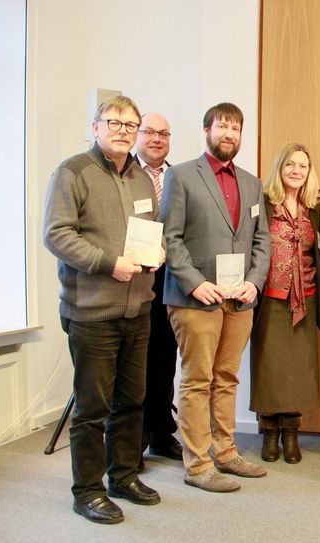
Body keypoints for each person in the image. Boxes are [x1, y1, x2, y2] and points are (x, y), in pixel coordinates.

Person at [43, 95, 162, 524]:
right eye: (115, 122)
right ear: (96, 126)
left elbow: (148, 230)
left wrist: (157, 251)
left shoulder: (142, 179)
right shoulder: (72, 172)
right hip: (91, 311)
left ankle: (124, 476)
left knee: (132, 402)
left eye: (132, 125)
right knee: (93, 408)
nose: (124, 130)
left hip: (138, 308)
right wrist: (108, 263)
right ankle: (87, 490)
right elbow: (57, 234)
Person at [162, 102, 270, 493]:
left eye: (236, 129)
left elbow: (262, 239)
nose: (230, 134)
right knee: (196, 380)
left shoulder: (251, 183)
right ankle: (198, 464)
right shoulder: (181, 176)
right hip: (196, 298)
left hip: (239, 299)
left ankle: (225, 452)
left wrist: (254, 283)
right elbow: (169, 236)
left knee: (226, 378)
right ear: (206, 130)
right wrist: (193, 282)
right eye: (223, 126)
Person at [250, 143, 320, 464]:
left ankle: (292, 433)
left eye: (303, 166)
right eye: (290, 165)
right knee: (269, 367)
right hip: (269, 299)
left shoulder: (313, 209)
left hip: (304, 300)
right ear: (279, 169)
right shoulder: (264, 206)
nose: (296, 170)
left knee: (297, 370)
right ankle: (269, 432)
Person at [133, 113, 182, 465]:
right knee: (135, 361)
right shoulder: (124, 174)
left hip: (170, 277)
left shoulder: (177, 177)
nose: (157, 139)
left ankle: (162, 432)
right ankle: (132, 440)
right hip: (132, 277)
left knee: (165, 356)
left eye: (163, 133)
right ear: (138, 136)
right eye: (149, 132)